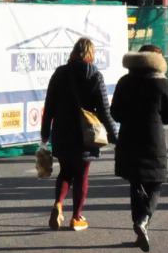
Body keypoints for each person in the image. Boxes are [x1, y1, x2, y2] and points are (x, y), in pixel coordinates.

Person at [40, 37, 117, 230]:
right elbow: (104, 110)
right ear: (91, 54)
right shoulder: (95, 76)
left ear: (74, 51)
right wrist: (114, 135)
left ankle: (58, 203)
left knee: (65, 171)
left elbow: (49, 105)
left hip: (62, 131)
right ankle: (77, 217)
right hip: (86, 133)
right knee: (82, 174)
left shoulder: (59, 73)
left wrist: (45, 133)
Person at [110, 43, 168, 252]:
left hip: (129, 136)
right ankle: (144, 219)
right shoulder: (161, 83)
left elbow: (115, 112)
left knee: (136, 182)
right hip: (152, 138)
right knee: (155, 181)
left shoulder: (124, 81)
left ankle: (139, 226)